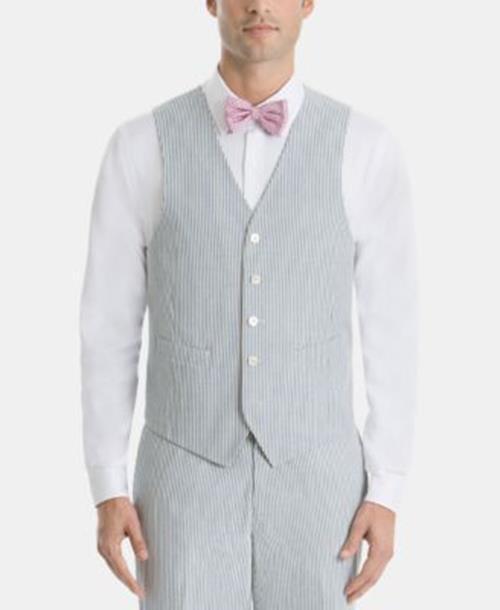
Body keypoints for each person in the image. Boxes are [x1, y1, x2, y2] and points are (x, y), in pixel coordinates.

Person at [79, 1, 418, 608]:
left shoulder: (365, 147)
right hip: (182, 477)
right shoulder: (141, 145)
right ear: (211, 1)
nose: (260, 5)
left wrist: (386, 487)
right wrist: (108, 483)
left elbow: (393, 325)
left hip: (319, 481)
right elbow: (108, 328)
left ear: (308, 2)